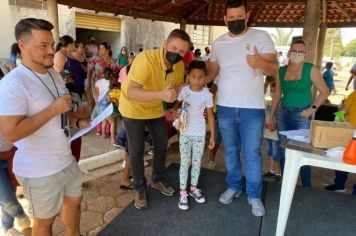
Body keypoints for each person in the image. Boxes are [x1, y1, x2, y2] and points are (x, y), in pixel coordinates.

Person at [0, 18, 90, 236]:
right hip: (38, 169)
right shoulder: (13, 84)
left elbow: (62, 112)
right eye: (43, 45)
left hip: (65, 158)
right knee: (44, 222)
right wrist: (52, 109)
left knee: (74, 203)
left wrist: (77, 121)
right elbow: (11, 132)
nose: (51, 51)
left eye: (52, 44)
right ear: (22, 45)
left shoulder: (54, 75)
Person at [206, 0, 278, 217]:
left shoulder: (261, 37)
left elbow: (274, 69)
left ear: (247, 16)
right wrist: (191, 85)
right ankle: (234, 186)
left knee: (253, 154)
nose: (236, 20)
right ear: (225, 19)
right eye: (232, 18)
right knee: (230, 151)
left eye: (240, 17)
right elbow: (210, 74)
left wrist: (260, 63)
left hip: (252, 109)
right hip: (226, 107)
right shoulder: (218, 43)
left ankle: (254, 195)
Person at [119, 29, 190, 209]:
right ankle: (139, 188)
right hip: (133, 107)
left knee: (161, 143)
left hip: (155, 107)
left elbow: (177, 87)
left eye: (182, 51)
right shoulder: (145, 59)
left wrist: (174, 106)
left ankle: (157, 179)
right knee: (136, 150)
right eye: (174, 47)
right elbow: (131, 91)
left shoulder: (179, 65)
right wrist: (162, 95)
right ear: (165, 43)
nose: (177, 53)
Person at [268, 39, 329, 187]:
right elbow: (277, 95)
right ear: (289, 52)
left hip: (302, 115)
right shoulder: (281, 70)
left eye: (301, 51)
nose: (297, 53)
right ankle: (286, 182)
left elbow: (325, 91)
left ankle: (306, 186)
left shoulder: (310, 69)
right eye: (295, 50)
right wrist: (271, 116)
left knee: (303, 152)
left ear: (305, 53)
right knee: (284, 150)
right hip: (283, 114)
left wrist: (311, 109)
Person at [173, 61, 215, 210]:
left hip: (199, 134)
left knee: (197, 162)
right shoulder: (184, 91)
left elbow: (210, 116)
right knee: (185, 163)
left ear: (205, 78)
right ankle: (183, 193)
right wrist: (175, 111)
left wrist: (212, 136)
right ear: (188, 76)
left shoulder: (207, 95)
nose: (197, 80)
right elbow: (177, 105)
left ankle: (193, 189)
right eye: (193, 76)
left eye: (201, 77)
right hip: (185, 133)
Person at [324, 91, 356, 194]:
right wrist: (340, 114)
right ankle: (339, 185)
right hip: (349, 133)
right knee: (342, 157)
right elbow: (343, 110)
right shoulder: (354, 94)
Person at [1, 147, 31, 236]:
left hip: (11, 154)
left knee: (10, 196)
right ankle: (22, 218)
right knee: (7, 200)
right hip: (9, 152)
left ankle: (8, 230)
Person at [262, 76, 281, 181]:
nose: (273, 90)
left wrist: (276, 125)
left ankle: (278, 172)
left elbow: (281, 117)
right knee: (270, 151)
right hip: (268, 130)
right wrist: (266, 83)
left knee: (275, 152)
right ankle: (272, 171)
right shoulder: (268, 99)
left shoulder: (281, 101)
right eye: (272, 87)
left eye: (275, 87)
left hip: (275, 131)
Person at [95, 68, 116, 143]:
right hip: (106, 105)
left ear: (103, 74)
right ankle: (113, 139)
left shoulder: (98, 82)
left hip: (99, 105)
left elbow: (97, 94)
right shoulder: (111, 82)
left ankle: (103, 134)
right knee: (112, 122)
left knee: (104, 120)